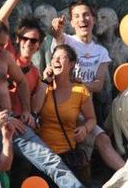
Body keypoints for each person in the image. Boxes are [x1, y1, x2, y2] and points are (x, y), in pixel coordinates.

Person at [0, 17, 84, 188]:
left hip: (15, 124)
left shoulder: (4, 58)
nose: (3, 49)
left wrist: (26, 111)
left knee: (51, 161)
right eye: (0, 45)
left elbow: (22, 82)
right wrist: (3, 119)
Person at [52, 0, 125, 170]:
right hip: (62, 109)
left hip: (85, 113)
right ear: (71, 22)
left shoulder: (101, 52)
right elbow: (57, 36)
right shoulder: (67, 41)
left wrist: (76, 83)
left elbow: (98, 85)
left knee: (103, 140)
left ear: (93, 19)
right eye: (76, 16)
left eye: (86, 15)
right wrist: (56, 28)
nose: (82, 19)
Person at [33, 44, 96, 185]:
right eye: (54, 58)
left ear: (71, 64)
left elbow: (92, 119)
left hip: (67, 157)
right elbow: (35, 109)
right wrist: (44, 81)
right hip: (43, 156)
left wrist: (85, 129)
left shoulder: (80, 91)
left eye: (61, 57)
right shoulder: (44, 87)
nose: (56, 60)